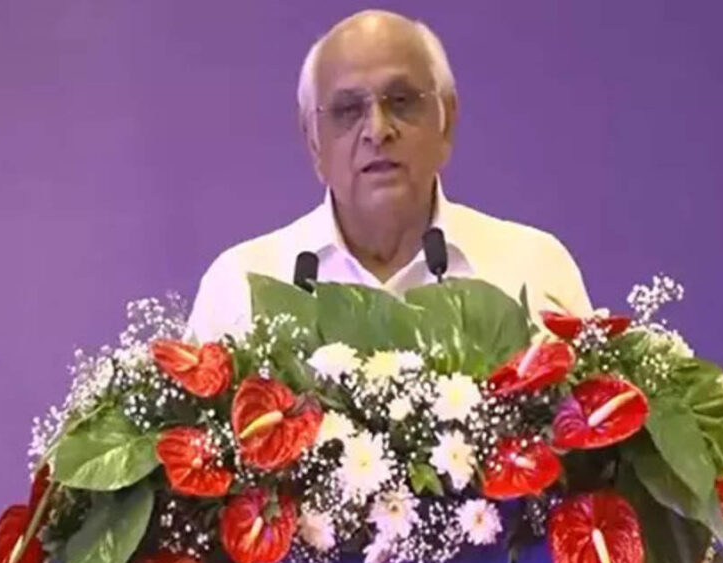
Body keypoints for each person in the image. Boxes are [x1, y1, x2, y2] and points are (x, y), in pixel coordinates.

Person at [186, 9, 593, 342]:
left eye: (401, 101)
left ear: (446, 121)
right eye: (348, 110)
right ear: (313, 140)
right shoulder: (239, 285)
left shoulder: (532, 267)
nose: (378, 130)